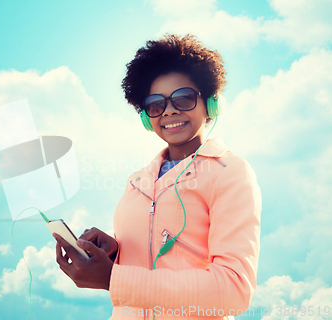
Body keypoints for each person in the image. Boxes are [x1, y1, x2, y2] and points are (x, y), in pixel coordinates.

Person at [53, 34, 262, 320]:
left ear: (211, 103)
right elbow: (150, 263)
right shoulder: (136, 181)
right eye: (156, 104)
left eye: (184, 98)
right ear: (146, 117)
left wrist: (113, 279)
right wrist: (115, 254)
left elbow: (233, 290)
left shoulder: (230, 173)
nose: (170, 110)